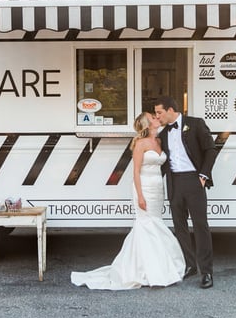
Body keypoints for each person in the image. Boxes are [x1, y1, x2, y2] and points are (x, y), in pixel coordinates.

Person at [71, 112, 185, 290]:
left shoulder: (159, 141)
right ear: (148, 124)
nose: (157, 118)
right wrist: (140, 195)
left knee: (155, 222)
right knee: (146, 224)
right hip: (144, 187)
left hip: (157, 189)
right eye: (153, 117)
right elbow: (136, 172)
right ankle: (148, 270)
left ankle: (158, 265)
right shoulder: (140, 144)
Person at [154, 96, 217, 289]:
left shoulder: (195, 124)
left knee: (200, 226)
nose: (158, 117)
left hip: (194, 180)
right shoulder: (163, 134)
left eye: (159, 112)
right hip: (174, 182)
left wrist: (204, 175)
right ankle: (190, 265)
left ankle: (206, 272)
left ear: (171, 110)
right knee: (179, 226)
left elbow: (210, 150)